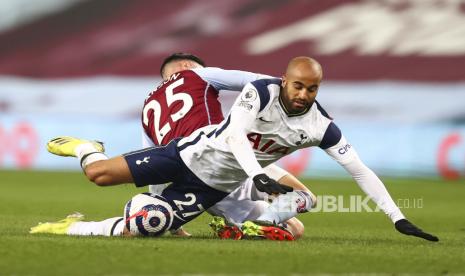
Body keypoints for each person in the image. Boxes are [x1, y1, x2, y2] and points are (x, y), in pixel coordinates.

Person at [35, 56, 439, 242]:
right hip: (187, 153)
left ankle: (74, 228)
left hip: (218, 184)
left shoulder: (322, 126)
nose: (301, 94)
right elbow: (232, 135)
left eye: (310, 88)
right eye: (296, 85)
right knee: (98, 174)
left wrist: (397, 217)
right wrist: (258, 173)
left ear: (318, 89)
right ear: (285, 81)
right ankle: (88, 148)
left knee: (153, 224)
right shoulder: (260, 90)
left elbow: (360, 170)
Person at [31, 53, 312, 240]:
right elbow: (263, 83)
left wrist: (171, 221)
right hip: (222, 158)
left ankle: (84, 172)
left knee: (140, 215)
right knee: (297, 212)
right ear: (191, 67)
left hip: (195, 170)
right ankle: (238, 226)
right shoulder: (200, 74)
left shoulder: (147, 108)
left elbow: (155, 176)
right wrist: (297, 94)